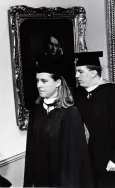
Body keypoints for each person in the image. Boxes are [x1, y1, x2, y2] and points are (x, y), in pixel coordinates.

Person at [23, 58, 93, 188]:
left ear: (58, 82)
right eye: (37, 81)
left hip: (61, 181)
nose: (39, 85)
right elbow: (31, 150)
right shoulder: (36, 111)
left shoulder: (70, 113)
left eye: (44, 81)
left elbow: (75, 158)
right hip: (40, 180)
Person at [74, 51, 115, 188]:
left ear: (93, 73)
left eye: (80, 71)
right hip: (88, 159)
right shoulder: (78, 94)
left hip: (110, 159)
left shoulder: (113, 93)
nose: (76, 75)